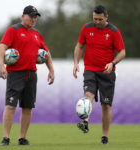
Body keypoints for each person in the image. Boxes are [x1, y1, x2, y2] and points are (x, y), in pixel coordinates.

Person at [0, 5, 54, 146]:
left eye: (35, 17)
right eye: (31, 16)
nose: (33, 19)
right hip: (15, 74)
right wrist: (1, 65)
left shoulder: (37, 34)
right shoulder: (13, 30)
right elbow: (2, 47)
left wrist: (51, 70)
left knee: (27, 107)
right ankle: (6, 138)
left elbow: (46, 53)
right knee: (10, 106)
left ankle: (22, 138)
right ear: (23, 16)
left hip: (31, 74)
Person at [73, 5, 125, 144]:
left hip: (107, 72)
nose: (97, 22)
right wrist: (76, 63)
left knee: (106, 105)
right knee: (88, 95)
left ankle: (104, 136)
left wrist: (112, 63)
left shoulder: (114, 31)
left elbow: (122, 52)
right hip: (90, 69)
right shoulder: (87, 28)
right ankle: (85, 122)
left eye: (100, 19)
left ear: (106, 17)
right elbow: (79, 45)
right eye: (95, 19)